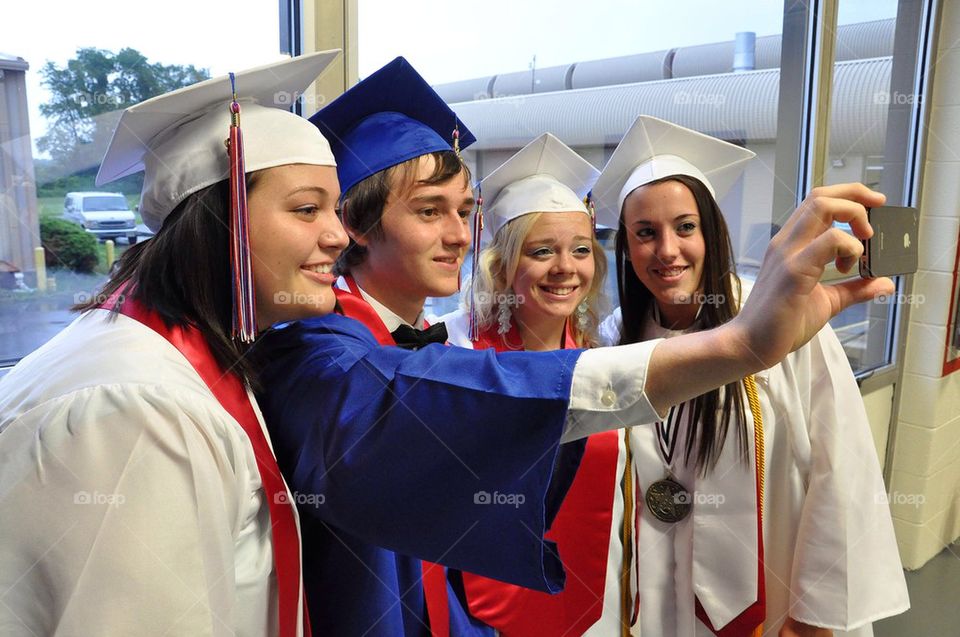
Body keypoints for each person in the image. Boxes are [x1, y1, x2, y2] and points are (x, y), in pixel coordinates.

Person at [252, 59, 897, 636]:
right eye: (428, 211)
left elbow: (843, 474)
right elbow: (477, 404)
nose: (456, 234)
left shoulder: (732, 329)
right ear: (357, 229)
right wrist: (742, 346)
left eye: (463, 210)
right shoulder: (338, 355)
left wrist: (817, 616)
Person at [0, 51, 347, 636]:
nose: (340, 235)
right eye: (307, 209)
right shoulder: (139, 411)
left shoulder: (163, 350)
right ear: (219, 221)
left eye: (335, 209)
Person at [587, 115, 910, 636]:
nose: (667, 251)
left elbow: (842, 467)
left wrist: (814, 621)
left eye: (685, 227)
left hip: (775, 598)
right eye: (645, 233)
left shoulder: (781, 320)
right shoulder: (614, 338)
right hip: (654, 600)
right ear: (626, 246)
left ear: (711, 233)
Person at [440, 133, 625, 636]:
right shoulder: (454, 355)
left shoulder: (605, 356)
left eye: (581, 250)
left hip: (596, 605)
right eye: (542, 251)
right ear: (502, 268)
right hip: (481, 613)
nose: (565, 268)